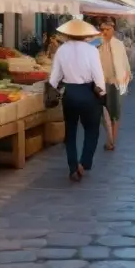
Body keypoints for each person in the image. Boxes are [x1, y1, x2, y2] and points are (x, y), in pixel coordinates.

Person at [48, 19, 106, 182]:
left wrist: (51, 91)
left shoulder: (61, 50)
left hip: (70, 93)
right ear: (85, 35)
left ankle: (72, 167)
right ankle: (84, 163)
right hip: (88, 93)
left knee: (71, 131)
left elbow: (54, 78)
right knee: (92, 130)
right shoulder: (92, 50)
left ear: (68, 34)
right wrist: (102, 93)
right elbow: (98, 76)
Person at [98, 19, 132, 151]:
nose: (105, 32)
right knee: (102, 111)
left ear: (113, 30)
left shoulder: (119, 44)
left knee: (115, 112)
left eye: (108, 29)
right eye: (103, 29)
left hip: (117, 82)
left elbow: (124, 62)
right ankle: (110, 137)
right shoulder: (97, 45)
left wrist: (127, 77)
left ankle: (112, 140)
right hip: (101, 83)